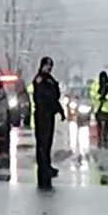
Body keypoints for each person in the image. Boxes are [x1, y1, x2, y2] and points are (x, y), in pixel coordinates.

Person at [32, 56, 66, 188]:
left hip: (49, 114)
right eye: (47, 65)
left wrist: (59, 111)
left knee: (48, 142)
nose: (49, 68)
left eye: (51, 65)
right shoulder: (40, 79)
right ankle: (43, 168)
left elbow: (54, 97)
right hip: (42, 114)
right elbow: (45, 97)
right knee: (43, 142)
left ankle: (47, 165)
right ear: (42, 66)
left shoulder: (49, 79)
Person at [90, 71, 108, 149]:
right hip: (98, 108)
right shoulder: (95, 85)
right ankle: (100, 140)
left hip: (106, 109)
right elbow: (92, 93)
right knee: (99, 126)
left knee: (105, 126)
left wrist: (106, 97)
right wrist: (99, 97)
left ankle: (105, 140)